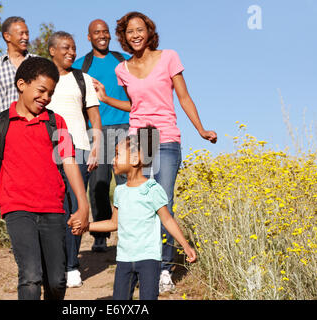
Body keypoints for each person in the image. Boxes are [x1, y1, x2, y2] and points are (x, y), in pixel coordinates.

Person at [92, 11, 217, 293]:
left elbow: (183, 97)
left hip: (167, 135)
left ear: (149, 32)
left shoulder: (169, 57)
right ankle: (137, 260)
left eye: (140, 29)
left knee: (164, 200)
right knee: (137, 197)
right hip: (141, 137)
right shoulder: (121, 70)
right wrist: (105, 98)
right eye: (129, 31)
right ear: (123, 37)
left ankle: (162, 268)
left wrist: (201, 129)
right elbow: (135, 106)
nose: (135, 34)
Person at [0, 57, 90, 300]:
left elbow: (70, 163)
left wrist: (83, 205)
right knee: (30, 276)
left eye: (50, 93)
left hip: (54, 209)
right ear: (22, 84)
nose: (46, 98)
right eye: (41, 90)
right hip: (18, 209)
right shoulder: (0, 124)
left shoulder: (55, 122)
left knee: (57, 281)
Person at [70, 127, 197, 300]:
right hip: (124, 259)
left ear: (136, 159)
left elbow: (167, 220)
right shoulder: (120, 192)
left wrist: (185, 246)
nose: (113, 159)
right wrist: (87, 226)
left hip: (149, 259)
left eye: (117, 154)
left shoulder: (152, 189)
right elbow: (114, 223)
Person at [46, 31, 102, 288]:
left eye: (73, 48)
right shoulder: (43, 79)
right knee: (52, 210)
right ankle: (54, 263)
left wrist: (96, 148)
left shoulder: (84, 79)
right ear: (52, 51)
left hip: (79, 148)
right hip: (47, 149)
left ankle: (72, 266)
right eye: (65, 48)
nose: (71, 52)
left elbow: (94, 118)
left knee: (75, 207)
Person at [72, 19, 130, 253]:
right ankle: (100, 234)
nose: (102, 35)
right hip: (97, 130)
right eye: (97, 32)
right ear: (89, 37)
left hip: (126, 127)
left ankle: (128, 231)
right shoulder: (80, 65)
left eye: (105, 32)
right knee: (99, 183)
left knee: (128, 182)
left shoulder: (122, 61)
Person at [0, 16, 36, 126]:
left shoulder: (38, 63)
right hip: (5, 129)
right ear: (7, 36)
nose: (25, 37)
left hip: (33, 128)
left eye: (27, 33)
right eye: (21, 33)